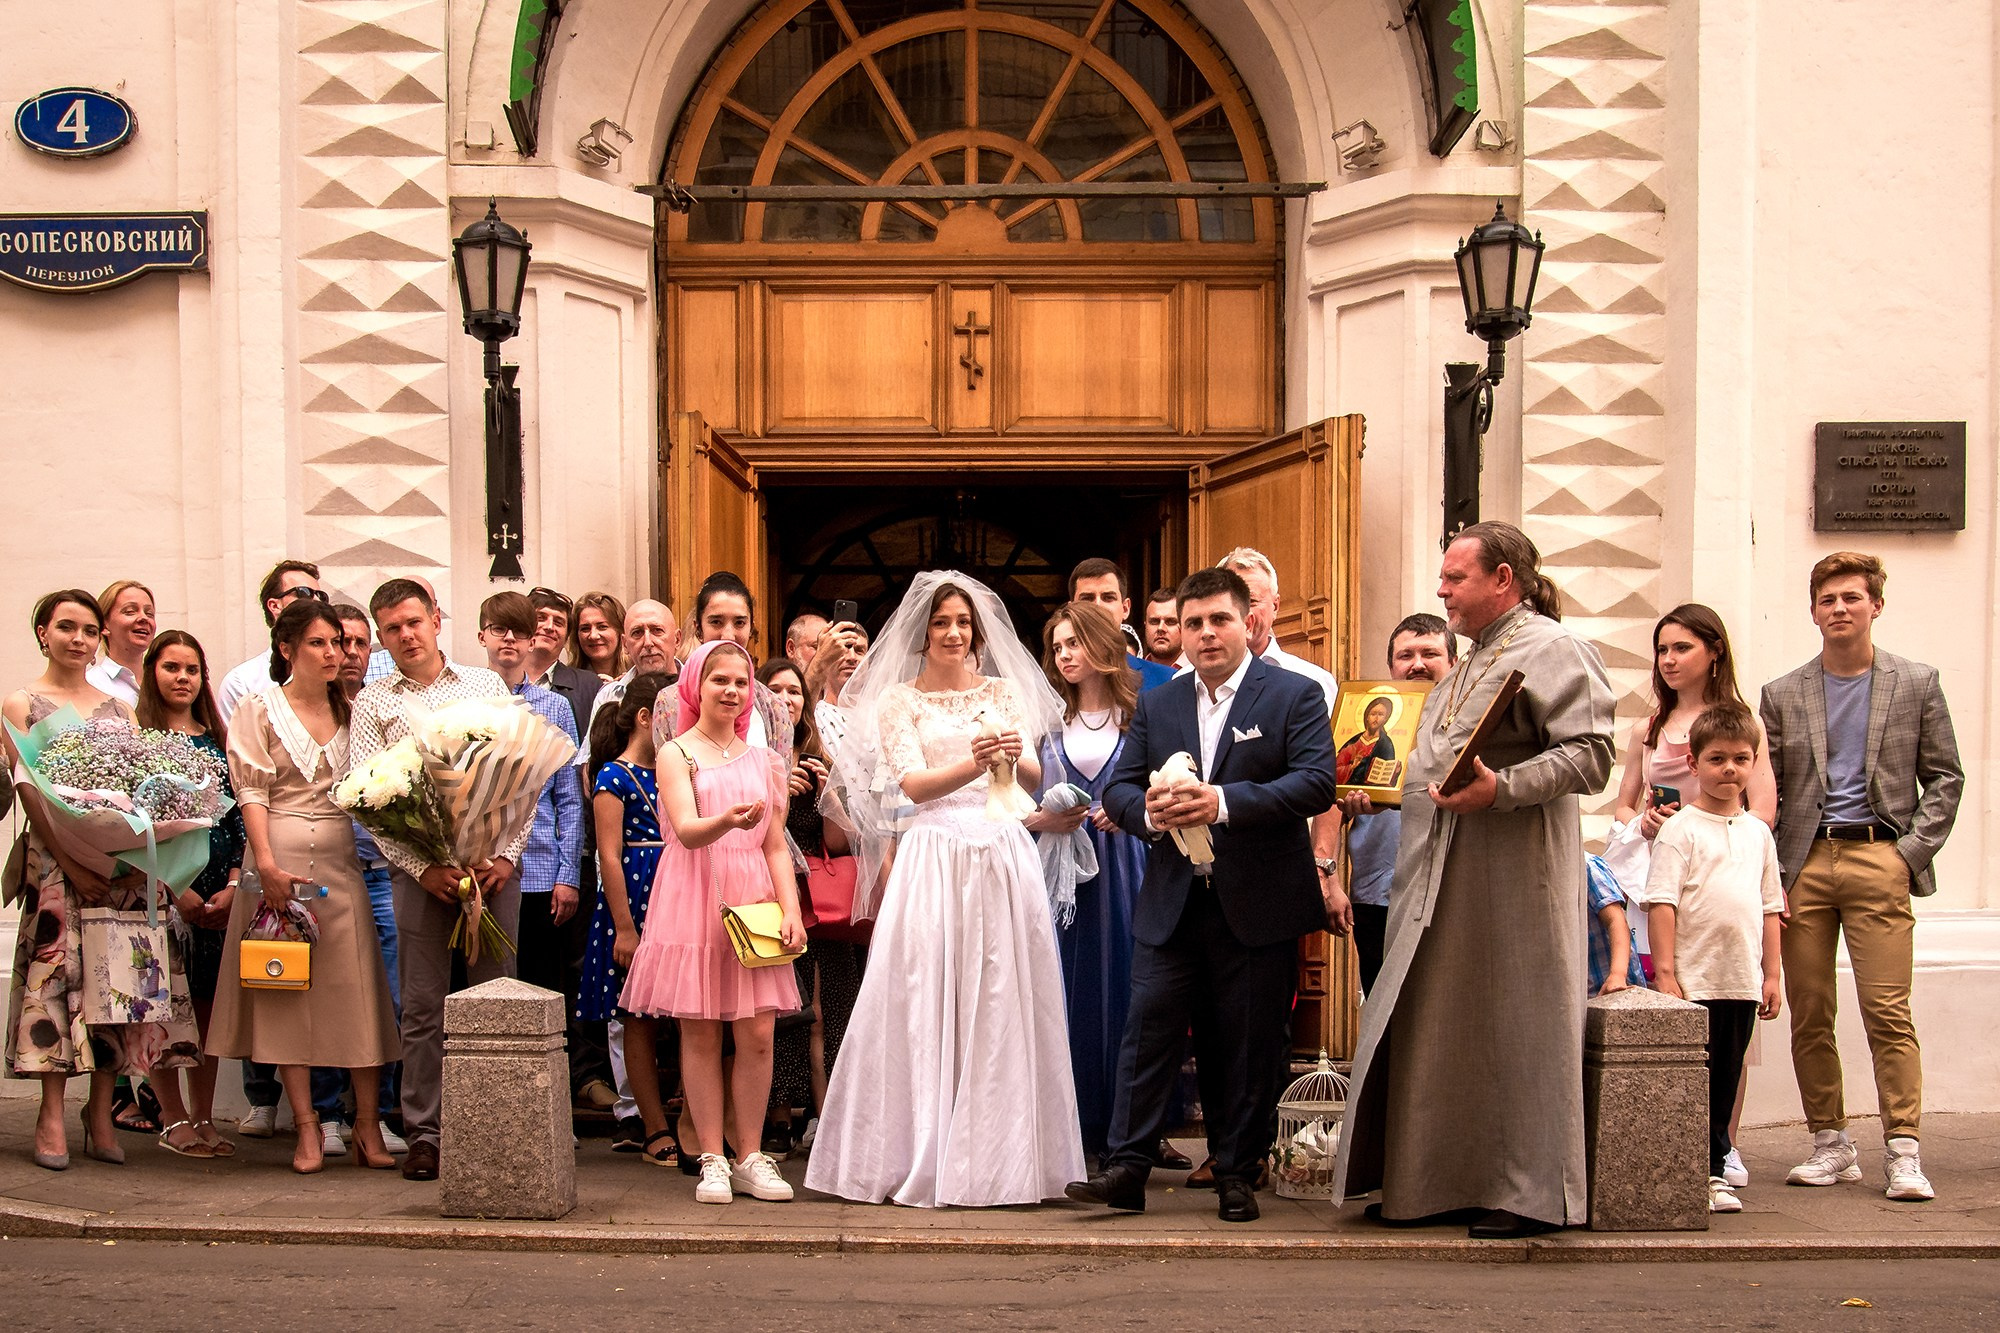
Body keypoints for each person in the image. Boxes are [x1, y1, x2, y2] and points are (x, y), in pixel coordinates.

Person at [1334, 522, 1617, 1239]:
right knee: (1443, 1024)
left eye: (1455, 577)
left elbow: (1591, 754)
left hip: (1512, 877)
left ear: (1503, 580)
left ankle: (1530, 1194)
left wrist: (1507, 787)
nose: (1440, 590)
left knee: (1519, 1022)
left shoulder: (1553, 647)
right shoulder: (1470, 659)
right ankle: (1438, 1183)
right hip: (1435, 876)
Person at [1066, 567, 1340, 1224]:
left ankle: (1237, 1173)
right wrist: (1149, 812)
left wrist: (1221, 801)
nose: (1206, 633)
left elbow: (1315, 783)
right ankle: (1126, 1168)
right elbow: (1119, 789)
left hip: (1258, 899)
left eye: (1219, 619)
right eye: (1193, 623)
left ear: (1246, 621)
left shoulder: (1294, 694)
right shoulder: (1159, 703)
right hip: (1170, 897)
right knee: (1148, 1027)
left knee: (1242, 1042)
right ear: (1179, 632)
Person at [806, 573, 1085, 1207]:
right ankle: (914, 1150)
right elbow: (911, 785)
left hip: (1001, 849)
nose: (953, 633)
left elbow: (1033, 778)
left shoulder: (1004, 690)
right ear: (923, 634)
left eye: (962, 623)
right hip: (932, 851)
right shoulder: (899, 702)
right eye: (941, 623)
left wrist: (1012, 753)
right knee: (921, 992)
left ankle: (1003, 1158)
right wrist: (977, 758)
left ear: (977, 633)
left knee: (1000, 996)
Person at [1760, 551, 1962, 1202]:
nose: (1839, 608)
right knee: (1810, 1010)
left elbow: (1946, 777)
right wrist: (1773, 871)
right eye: (1827, 599)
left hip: (1882, 855)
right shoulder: (1783, 692)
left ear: (1876, 604)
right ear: (1813, 610)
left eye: (1851, 597)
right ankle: (1831, 1144)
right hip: (1806, 862)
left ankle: (1903, 1150)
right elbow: (1773, 789)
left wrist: (1908, 853)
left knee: (1887, 1010)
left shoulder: (1916, 682)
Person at [5, 590, 200, 1171]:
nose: (78, 639)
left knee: (115, 989)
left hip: (118, 872)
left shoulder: (119, 705)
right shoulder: (22, 702)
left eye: (88, 630)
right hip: (59, 869)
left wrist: (134, 852)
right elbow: (31, 790)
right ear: (43, 632)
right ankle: (49, 1115)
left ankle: (98, 1111)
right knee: (56, 984)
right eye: (66, 627)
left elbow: (133, 791)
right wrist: (75, 861)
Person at [204, 599, 400, 1174]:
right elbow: (251, 792)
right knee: (286, 991)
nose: (335, 654)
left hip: (342, 862)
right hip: (280, 855)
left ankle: (367, 1126)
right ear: (288, 648)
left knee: (358, 991)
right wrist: (262, 865)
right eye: (320, 643)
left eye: (338, 643)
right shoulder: (259, 708)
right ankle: (308, 1129)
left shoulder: (355, 708)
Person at [349, 578, 527, 1182]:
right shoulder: (373, 704)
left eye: (414, 623)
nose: (406, 636)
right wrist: (424, 869)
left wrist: (504, 856)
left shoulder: (483, 685)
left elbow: (522, 774)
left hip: (491, 872)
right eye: (392, 629)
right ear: (381, 636)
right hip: (420, 876)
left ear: (435, 620)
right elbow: (366, 795)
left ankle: (499, 1125)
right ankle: (424, 1131)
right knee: (423, 1007)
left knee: (495, 1001)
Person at [621, 640, 804, 1206]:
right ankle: (711, 1157)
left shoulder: (765, 760)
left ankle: (750, 1153)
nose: (731, 691)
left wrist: (792, 909)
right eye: (718, 679)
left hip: (753, 894)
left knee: (757, 1032)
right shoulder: (678, 753)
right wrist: (723, 819)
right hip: (695, 891)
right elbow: (685, 828)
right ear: (695, 685)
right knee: (700, 1029)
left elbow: (775, 845)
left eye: (741, 682)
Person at [1635, 702, 1785, 1214]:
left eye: (1740, 760)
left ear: (1753, 763)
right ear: (1694, 765)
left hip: (1740, 979)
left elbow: (1769, 907)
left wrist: (1772, 975)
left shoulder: (1759, 834)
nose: (1729, 770)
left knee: (1725, 1075)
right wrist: (1668, 974)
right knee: (1689, 1080)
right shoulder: (1681, 829)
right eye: (1717, 759)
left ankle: (1715, 1169)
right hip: (1694, 980)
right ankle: (1687, 1167)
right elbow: (1663, 903)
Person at [1029, 601, 1155, 1162]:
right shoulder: (1047, 724)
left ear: (1103, 645)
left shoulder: (1143, 717)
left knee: (1131, 992)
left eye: (1074, 643)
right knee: (1064, 989)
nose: (1065, 656)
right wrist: (1048, 816)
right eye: (1057, 647)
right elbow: (1016, 800)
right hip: (1060, 873)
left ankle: (1130, 1132)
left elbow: (1165, 787)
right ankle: (1069, 1129)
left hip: (1130, 865)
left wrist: (1130, 807)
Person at [135, 629, 247, 1158]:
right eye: (171, 668)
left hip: (217, 898)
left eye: (192, 670)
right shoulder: (137, 740)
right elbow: (132, 831)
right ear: (152, 673)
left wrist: (229, 886)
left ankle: (203, 1116)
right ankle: (172, 1117)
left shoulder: (218, 739)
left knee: (207, 1010)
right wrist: (175, 889)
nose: (182, 678)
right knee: (162, 1007)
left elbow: (239, 821)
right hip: (161, 896)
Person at [478, 594, 586, 1051]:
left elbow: (569, 798)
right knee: (486, 991)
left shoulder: (554, 707)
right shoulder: (465, 700)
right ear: (481, 634)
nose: (509, 639)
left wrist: (569, 875)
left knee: (543, 989)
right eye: (498, 629)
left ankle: (545, 1099)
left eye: (519, 631)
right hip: (479, 869)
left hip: (542, 869)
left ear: (532, 639)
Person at [579, 673, 675, 1159]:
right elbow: (609, 855)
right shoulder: (613, 776)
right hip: (635, 898)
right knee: (637, 1015)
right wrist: (624, 925)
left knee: (683, 1012)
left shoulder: (678, 769)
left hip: (677, 893)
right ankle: (652, 1125)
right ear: (645, 718)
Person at [1337, 614, 1456, 995]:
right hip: (1378, 891)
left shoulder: (1467, 720)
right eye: (1406, 655)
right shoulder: (1355, 726)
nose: (1417, 663)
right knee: (1382, 1002)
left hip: (1450, 890)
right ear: (1391, 666)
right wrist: (1326, 875)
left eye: (1429, 653)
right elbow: (1329, 795)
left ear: (1453, 661)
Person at [216, 560, 326, 725]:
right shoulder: (242, 681)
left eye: (321, 596)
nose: (316, 601)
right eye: (304, 592)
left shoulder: (331, 672)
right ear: (275, 606)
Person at [579, 598, 682, 757]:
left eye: (657, 630)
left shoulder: (700, 690)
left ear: (677, 639)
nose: (648, 642)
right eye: (637, 633)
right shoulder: (610, 696)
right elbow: (589, 765)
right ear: (625, 644)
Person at [1069, 558, 1175, 692]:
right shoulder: (1050, 685)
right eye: (1087, 599)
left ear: (1125, 609)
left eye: (1108, 598)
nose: (1098, 606)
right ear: (1071, 610)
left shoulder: (1165, 680)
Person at [526, 586, 603, 741]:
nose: (549, 627)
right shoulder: (497, 680)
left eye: (559, 622)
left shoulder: (589, 686)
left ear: (567, 636)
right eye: (541, 618)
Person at [87, 579, 156, 706]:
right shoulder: (91, 684)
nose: (143, 618)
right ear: (104, 625)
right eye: (130, 611)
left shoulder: (161, 681)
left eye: (149, 613)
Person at [1335, 697, 1399, 786]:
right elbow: (1335, 769)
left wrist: (1394, 772)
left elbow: (1386, 777)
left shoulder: (1386, 744)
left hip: (1373, 794)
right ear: (1367, 716)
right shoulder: (1353, 742)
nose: (1376, 718)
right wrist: (1351, 767)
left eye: (1380, 714)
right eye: (1373, 714)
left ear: (1385, 719)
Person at [568, 591, 631, 681]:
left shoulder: (637, 675)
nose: (593, 636)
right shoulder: (568, 681)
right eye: (585, 628)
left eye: (602, 627)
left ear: (620, 630)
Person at [1140, 588, 1180, 669]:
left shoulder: (1199, 673)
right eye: (1154, 621)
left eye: (1170, 622)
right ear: (1145, 626)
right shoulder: (1132, 673)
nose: (1161, 628)